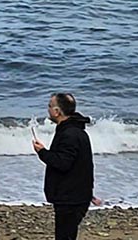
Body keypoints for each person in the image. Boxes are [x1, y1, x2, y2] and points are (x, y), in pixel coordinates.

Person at [33, 93, 98, 240]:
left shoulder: (69, 134)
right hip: (75, 194)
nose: (48, 109)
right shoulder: (75, 130)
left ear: (57, 111)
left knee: (65, 236)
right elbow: (81, 165)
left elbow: (62, 163)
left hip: (71, 198)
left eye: (50, 106)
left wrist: (42, 152)